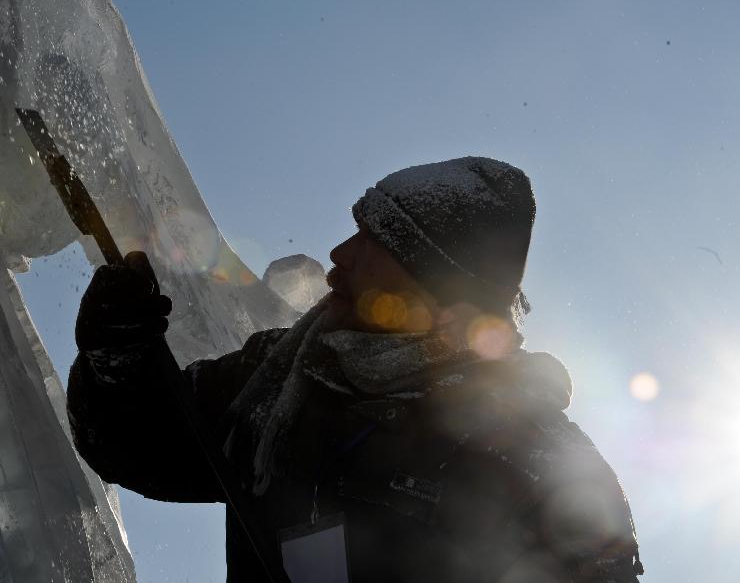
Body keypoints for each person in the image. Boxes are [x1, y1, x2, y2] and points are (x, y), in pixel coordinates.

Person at [67, 157, 644, 583]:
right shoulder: (282, 375)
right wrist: (118, 361)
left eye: (376, 241)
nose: (341, 253)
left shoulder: (539, 461)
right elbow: (141, 447)